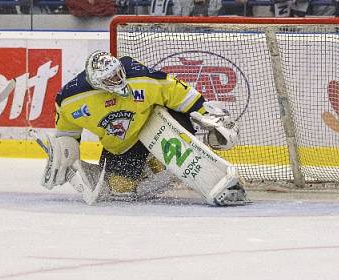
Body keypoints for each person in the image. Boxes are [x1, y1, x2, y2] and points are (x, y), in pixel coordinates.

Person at [43, 50, 247, 205]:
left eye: (118, 73)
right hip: (123, 145)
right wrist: (65, 157)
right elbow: (68, 134)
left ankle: (168, 163)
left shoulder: (141, 77)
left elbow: (181, 95)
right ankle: (149, 169)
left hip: (158, 124)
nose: (118, 80)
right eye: (110, 79)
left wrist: (209, 117)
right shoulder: (70, 100)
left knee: (174, 131)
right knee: (120, 191)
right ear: (97, 83)